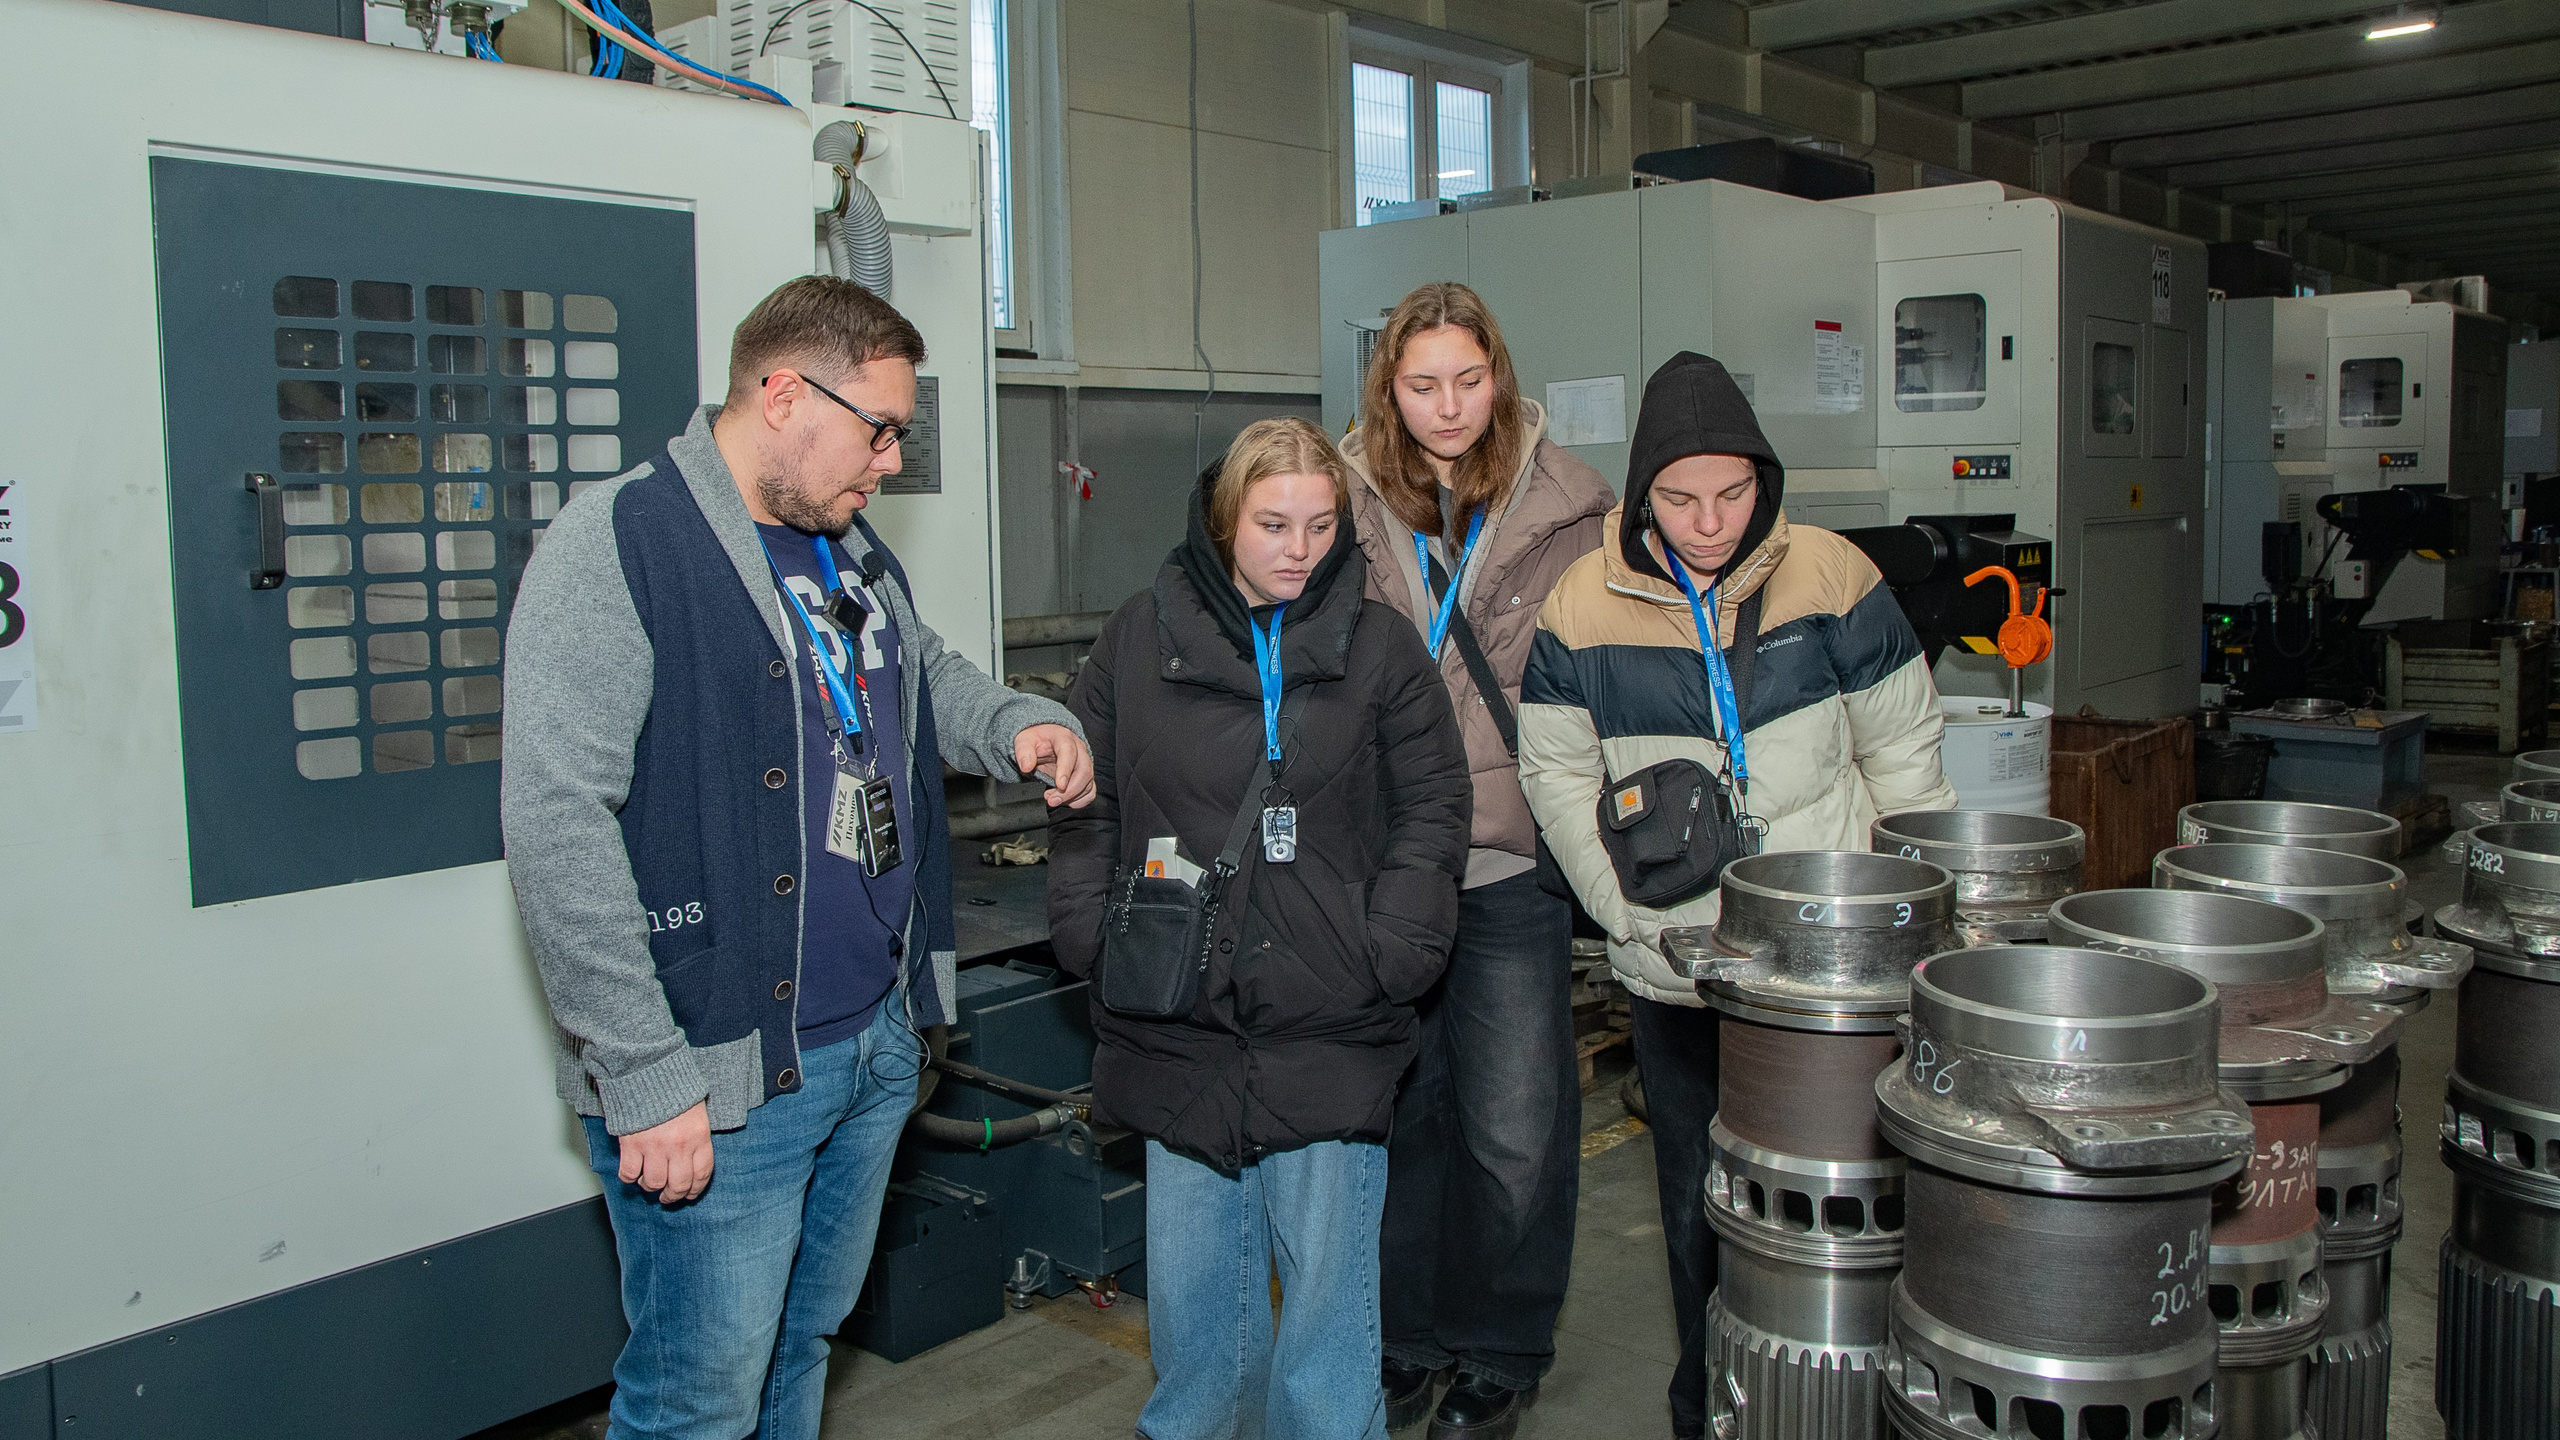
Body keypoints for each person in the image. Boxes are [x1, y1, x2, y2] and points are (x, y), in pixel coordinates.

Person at [501, 275, 1096, 1440]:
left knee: (797, 1352)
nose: (889, 461)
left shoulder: (845, 547)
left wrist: (1020, 721)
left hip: (870, 1042)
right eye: (878, 429)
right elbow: (555, 825)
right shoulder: (620, 544)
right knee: (695, 1402)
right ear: (782, 392)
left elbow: (922, 674)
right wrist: (643, 1071)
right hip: (719, 1079)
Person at [1516, 351, 1956, 1440]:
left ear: (1764, 478)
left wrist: (1919, 917)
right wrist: (1624, 915)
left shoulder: (1833, 576)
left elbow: (1904, 754)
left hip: (1833, 974)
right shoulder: (1582, 604)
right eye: (1678, 498)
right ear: (1640, 492)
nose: (1709, 522)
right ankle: (1714, 1401)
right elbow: (1555, 771)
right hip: (1681, 969)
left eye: (1732, 493)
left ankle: (1855, 1395)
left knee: (1851, 1197)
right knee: (1697, 1203)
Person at [1047, 417, 1472, 1440]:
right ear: (1222, 521)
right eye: (1274, 524)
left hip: (1331, 1014)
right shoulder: (1138, 637)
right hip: (1178, 1016)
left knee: (1328, 1310)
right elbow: (1080, 794)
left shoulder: (1378, 646)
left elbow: (1433, 801)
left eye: (1322, 526)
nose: (1300, 549)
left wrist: (1395, 945)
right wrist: (1089, 930)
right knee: (1194, 1309)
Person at [1342, 283, 1614, 1439]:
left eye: (1468, 380)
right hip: (1385, 858)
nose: (1447, 407)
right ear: (1387, 391)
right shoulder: (1342, 491)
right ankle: (1404, 1340)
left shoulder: (1568, 501)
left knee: (1514, 1126)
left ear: (1498, 376)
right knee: (1398, 1118)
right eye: (1421, 385)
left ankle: (1500, 1347)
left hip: (1508, 861)